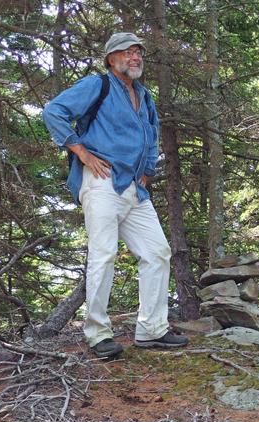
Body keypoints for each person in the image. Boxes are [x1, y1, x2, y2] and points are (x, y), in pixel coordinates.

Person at [43, 32, 188, 358]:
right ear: (111, 59)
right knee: (103, 254)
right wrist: (82, 152)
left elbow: (151, 136)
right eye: (127, 52)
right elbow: (54, 111)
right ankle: (97, 334)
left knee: (157, 252)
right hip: (102, 181)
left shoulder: (144, 95)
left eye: (138, 52)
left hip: (134, 187)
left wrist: (147, 173)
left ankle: (152, 329)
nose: (135, 57)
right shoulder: (98, 86)